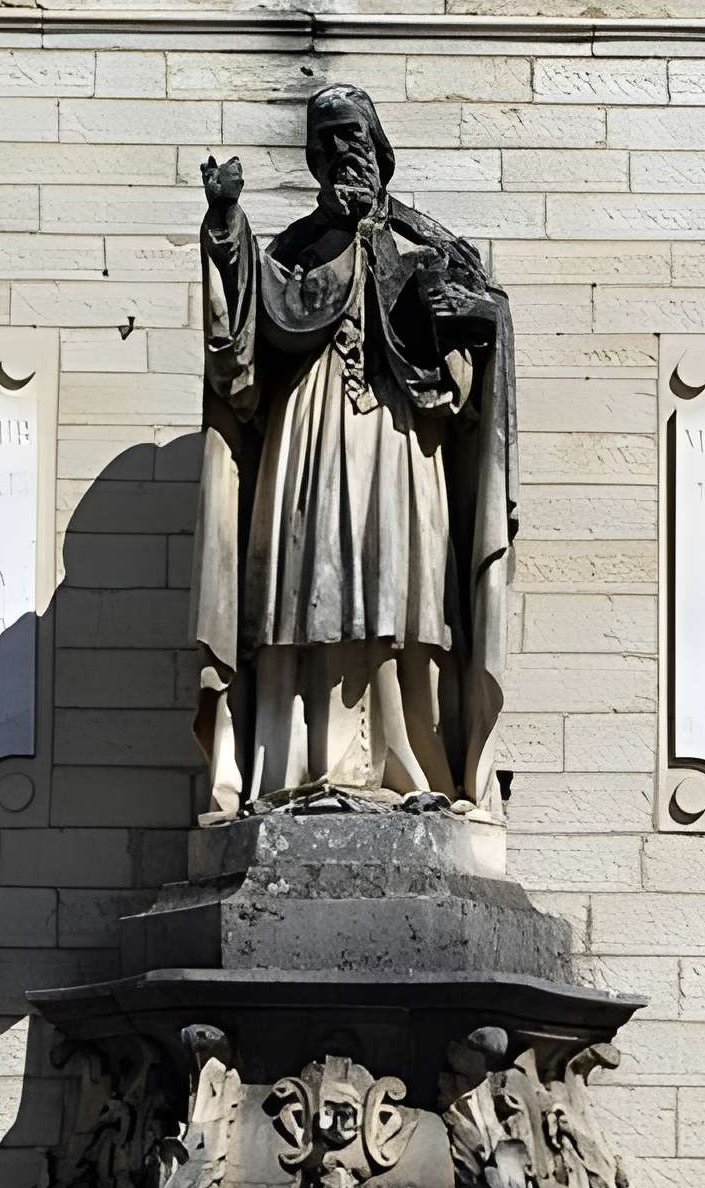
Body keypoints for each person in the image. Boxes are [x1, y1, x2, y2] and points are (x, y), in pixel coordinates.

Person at [191, 82, 518, 815]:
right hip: (308, 434)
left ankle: (415, 768)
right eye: (328, 142)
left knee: (406, 589)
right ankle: (295, 766)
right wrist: (224, 225)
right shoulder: (295, 251)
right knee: (308, 588)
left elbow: (479, 343)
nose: (344, 154)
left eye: (356, 140)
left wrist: (469, 318)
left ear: (380, 152)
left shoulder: (423, 245)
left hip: (403, 440)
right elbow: (244, 344)